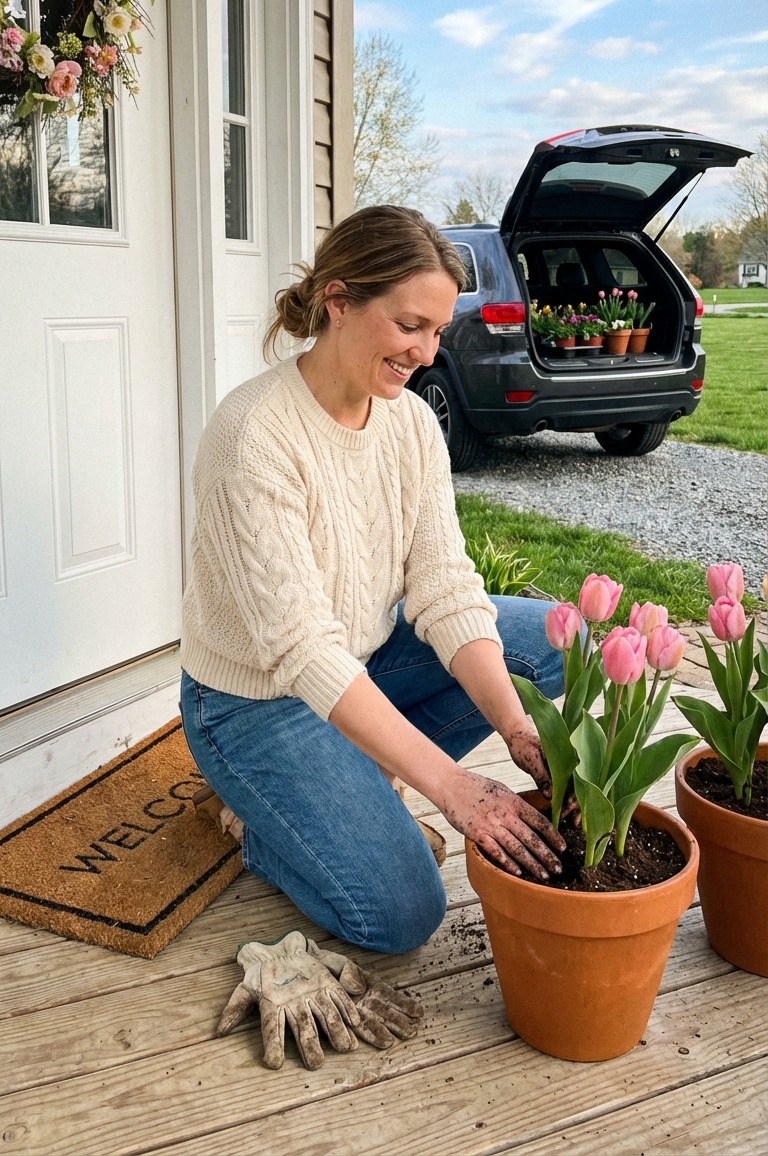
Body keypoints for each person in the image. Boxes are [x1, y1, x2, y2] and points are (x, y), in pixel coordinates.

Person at [179, 204, 566, 958]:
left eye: (437, 333)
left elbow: (446, 589)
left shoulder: (411, 425)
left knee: (553, 645)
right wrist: (452, 790)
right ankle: (267, 827)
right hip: (254, 702)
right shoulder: (253, 435)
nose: (426, 353)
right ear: (339, 302)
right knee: (399, 915)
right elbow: (304, 656)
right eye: (409, 325)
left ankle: (353, 777)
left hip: (366, 656)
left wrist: (520, 729)